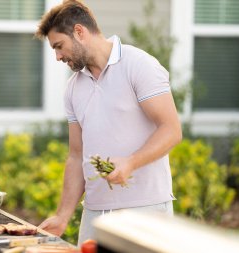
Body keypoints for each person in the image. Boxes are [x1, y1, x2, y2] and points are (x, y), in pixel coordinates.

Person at [34, 0, 182, 246]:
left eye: (59, 46)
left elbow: (171, 130)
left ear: (79, 32)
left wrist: (131, 162)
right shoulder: (73, 88)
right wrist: (62, 215)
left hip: (145, 211)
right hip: (95, 214)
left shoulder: (138, 65)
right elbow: (76, 155)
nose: (58, 56)